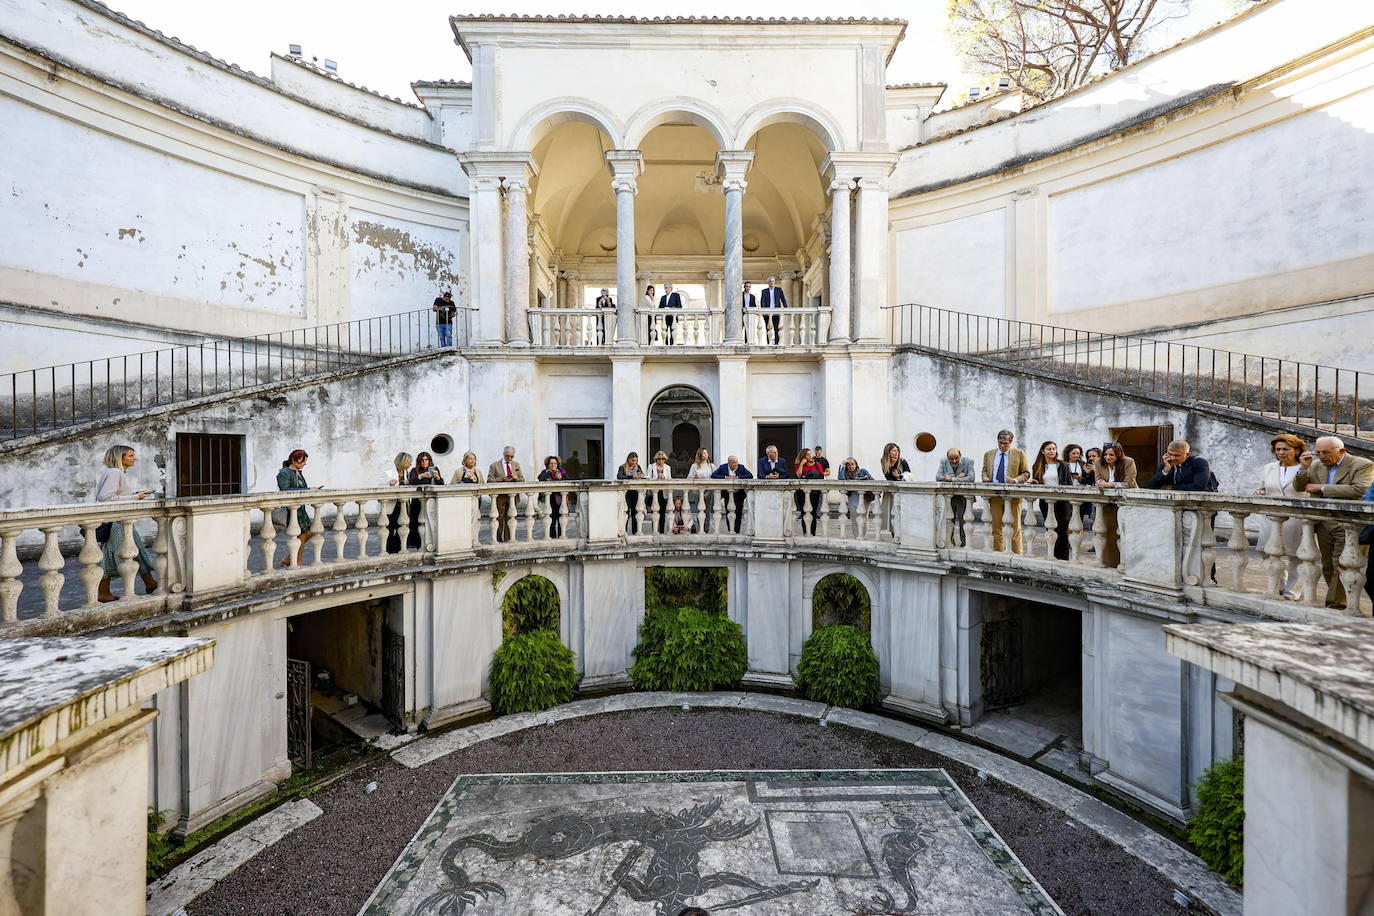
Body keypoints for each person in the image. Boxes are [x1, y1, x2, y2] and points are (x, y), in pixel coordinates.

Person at [1295, 436, 1374, 608]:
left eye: (1326, 452)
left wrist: (1322, 488)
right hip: (1324, 522)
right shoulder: (1316, 465)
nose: (1321, 456)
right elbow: (1300, 487)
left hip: (1350, 523)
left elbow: (1360, 489)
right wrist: (1303, 469)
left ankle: (1335, 604)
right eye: (1318, 452)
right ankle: (1340, 600)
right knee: (1328, 565)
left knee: (1343, 564)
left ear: (1342, 451)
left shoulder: (1362, 464)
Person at [93, 444, 157, 602]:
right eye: (130, 455)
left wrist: (135, 494)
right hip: (116, 523)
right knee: (109, 557)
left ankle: (150, 583)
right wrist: (137, 497)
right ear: (119, 457)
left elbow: (113, 496)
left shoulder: (111, 472)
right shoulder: (115, 472)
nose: (135, 458)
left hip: (120, 521)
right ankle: (103, 593)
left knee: (138, 552)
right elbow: (105, 498)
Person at [1253, 434, 1307, 599]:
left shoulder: (1306, 467)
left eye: (1286, 449)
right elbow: (1262, 487)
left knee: (1297, 556)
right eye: (1278, 449)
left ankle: (1292, 591)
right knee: (1266, 551)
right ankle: (1279, 585)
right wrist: (1259, 492)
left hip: (1296, 518)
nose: (1281, 452)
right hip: (1272, 517)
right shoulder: (1269, 467)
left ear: (1296, 450)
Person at [981, 430, 1030, 554]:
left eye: (1006, 444)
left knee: (1015, 528)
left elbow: (1026, 473)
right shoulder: (989, 454)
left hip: (1012, 496)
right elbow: (984, 470)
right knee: (996, 527)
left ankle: (1017, 554)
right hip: (995, 495)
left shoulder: (1019, 454)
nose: (1003, 446)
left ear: (1011, 442)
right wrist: (985, 476)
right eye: (1000, 443)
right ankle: (998, 553)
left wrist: (1014, 480)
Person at [1093, 442, 1138, 568]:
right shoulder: (1098, 463)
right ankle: (1110, 563)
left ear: (1118, 454)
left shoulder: (1128, 462)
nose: (1108, 457)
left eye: (1111, 455)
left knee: (1126, 533)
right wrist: (1100, 483)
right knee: (1108, 534)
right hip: (1108, 503)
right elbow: (1097, 480)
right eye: (1106, 454)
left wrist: (1110, 484)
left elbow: (1129, 483)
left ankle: (1129, 564)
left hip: (1126, 502)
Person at [1030, 440, 1072, 560]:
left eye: (1054, 449)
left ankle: (1063, 558)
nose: (1052, 451)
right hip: (1046, 502)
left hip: (1062, 501)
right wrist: (1036, 482)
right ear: (1043, 451)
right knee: (1050, 529)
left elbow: (1068, 483)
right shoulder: (1037, 466)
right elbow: (1039, 482)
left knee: (1063, 529)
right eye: (1049, 449)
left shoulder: (1063, 465)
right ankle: (1052, 555)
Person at [275, 448, 316, 566]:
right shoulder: (284, 473)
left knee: (311, 531)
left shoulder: (298, 472)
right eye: (302, 461)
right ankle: (296, 561)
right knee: (301, 535)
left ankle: (289, 559)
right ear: (293, 460)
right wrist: (307, 490)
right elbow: (285, 489)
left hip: (301, 508)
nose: (304, 464)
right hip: (292, 509)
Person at [380, 452, 420, 555]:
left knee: (402, 528)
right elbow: (379, 487)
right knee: (389, 529)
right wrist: (389, 484)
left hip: (404, 506)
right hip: (391, 506)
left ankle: (399, 549)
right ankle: (388, 550)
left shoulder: (408, 473)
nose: (411, 465)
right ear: (403, 462)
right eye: (409, 462)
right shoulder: (387, 473)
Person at [935, 447, 975, 546]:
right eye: (951, 459)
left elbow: (971, 478)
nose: (954, 461)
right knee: (948, 521)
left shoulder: (968, 462)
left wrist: (952, 479)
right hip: (949, 496)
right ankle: (949, 543)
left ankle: (965, 544)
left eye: (956, 458)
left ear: (960, 456)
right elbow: (938, 477)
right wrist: (958, 478)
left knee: (964, 521)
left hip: (964, 496)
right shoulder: (943, 461)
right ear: (947, 457)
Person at [487, 447, 524, 543]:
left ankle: (508, 539)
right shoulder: (494, 465)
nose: (510, 458)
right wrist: (501, 479)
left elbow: (522, 479)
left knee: (510, 517)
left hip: (512, 495)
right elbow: (489, 480)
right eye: (508, 456)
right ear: (503, 454)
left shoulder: (516, 465)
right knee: (499, 518)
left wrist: (516, 478)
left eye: (512, 456)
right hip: (500, 496)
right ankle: (498, 539)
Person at [1146, 439, 1213, 491]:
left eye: (1177, 455)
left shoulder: (1199, 462)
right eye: (1170, 454)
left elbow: (1199, 486)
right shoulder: (1166, 464)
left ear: (1187, 455)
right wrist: (1165, 471)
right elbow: (1152, 485)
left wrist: (1172, 487)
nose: (1172, 458)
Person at [710, 455, 753, 533]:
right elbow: (713, 475)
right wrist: (726, 477)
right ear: (729, 463)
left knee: (739, 512)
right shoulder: (723, 467)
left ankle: (737, 530)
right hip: (727, 493)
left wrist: (737, 477)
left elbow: (750, 475)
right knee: (728, 511)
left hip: (739, 494)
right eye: (734, 463)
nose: (736, 464)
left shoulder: (741, 467)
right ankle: (730, 529)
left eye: (736, 462)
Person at [838, 457, 876, 534]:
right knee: (854, 520)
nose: (851, 466)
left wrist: (866, 479)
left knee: (864, 519)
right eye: (848, 465)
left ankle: (863, 537)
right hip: (853, 500)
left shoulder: (862, 471)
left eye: (853, 464)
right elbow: (840, 479)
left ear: (856, 464)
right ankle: (857, 537)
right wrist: (842, 465)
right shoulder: (846, 475)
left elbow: (872, 480)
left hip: (865, 499)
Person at [793, 447, 824, 535]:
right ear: (803, 456)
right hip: (802, 493)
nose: (810, 456)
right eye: (808, 454)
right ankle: (805, 533)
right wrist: (802, 464)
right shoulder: (798, 464)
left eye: (810, 454)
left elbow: (821, 476)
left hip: (814, 492)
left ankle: (813, 533)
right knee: (804, 513)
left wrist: (806, 476)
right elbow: (798, 476)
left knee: (813, 513)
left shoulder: (817, 464)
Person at [537, 455, 569, 537]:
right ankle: (552, 538)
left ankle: (561, 537)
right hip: (549, 501)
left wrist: (561, 478)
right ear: (548, 464)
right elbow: (540, 478)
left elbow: (568, 480)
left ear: (558, 464)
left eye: (555, 463)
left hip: (560, 500)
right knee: (551, 521)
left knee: (561, 520)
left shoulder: (561, 471)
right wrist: (550, 473)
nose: (553, 465)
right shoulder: (545, 472)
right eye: (551, 463)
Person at [687, 447, 716, 533]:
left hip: (709, 491)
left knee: (707, 511)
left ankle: (706, 529)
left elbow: (715, 477)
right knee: (699, 509)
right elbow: (689, 477)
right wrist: (695, 477)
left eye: (706, 453)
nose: (706, 455)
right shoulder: (694, 465)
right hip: (697, 491)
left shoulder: (712, 466)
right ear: (700, 455)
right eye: (704, 453)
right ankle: (700, 528)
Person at [617, 451, 647, 533]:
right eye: (632, 460)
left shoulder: (638, 467)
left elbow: (642, 475)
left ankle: (635, 531)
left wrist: (641, 476)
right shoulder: (622, 467)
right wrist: (631, 476)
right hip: (626, 492)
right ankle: (624, 530)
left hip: (635, 492)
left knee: (635, 511)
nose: (634, 462)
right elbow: (619, 476)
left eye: (636, 461)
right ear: (628, 459)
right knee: (625, 512)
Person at [646, 450, 673, 533]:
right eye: (659, 459)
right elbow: (648, 478)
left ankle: (661, 531)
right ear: (656, 459)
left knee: (662, 513)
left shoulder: (668, 468)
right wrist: (657, 477)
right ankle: (654, 530)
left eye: (663, 459)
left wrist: (664, 478)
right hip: (654, 492)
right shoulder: (651, 467)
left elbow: (670, 479)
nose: (661, 461)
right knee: (654, 511)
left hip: (663, 493)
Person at [759, 275, 787, 344]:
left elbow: (783, 300)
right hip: (767, 313)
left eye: (773, 281)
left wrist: (786, 308)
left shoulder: (779, 290)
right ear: (768, 283)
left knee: (777, 328)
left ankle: (777, 343)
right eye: (770, 281)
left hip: (776, 312)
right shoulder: (764, 291)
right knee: (768, 328)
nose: (772, 282)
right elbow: (762, 302)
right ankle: (769, 343)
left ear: (775, 282)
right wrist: (763, 311)